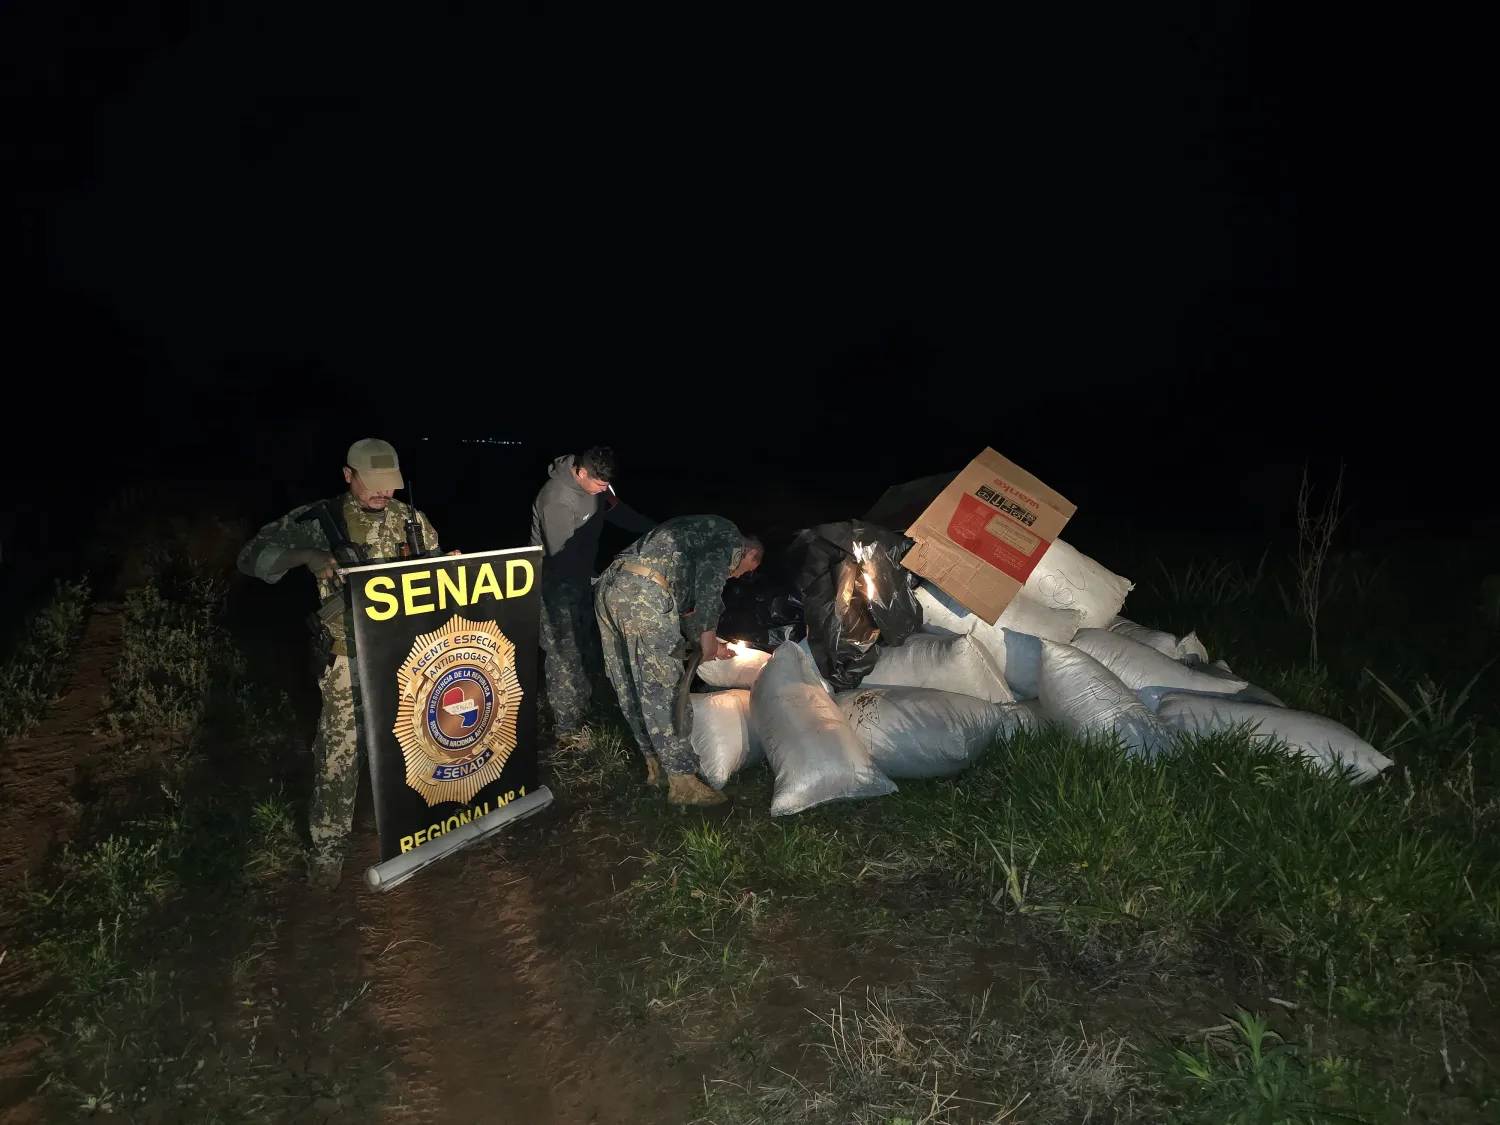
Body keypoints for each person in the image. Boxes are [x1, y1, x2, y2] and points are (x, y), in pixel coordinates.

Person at [237, 438, 455, 890]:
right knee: (339, 755)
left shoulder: (411, 520)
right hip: (349, 661)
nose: (383, 495)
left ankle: (412, 830)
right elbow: (251, 559)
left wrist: (452, 566)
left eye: (389, 486)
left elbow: (432, 575)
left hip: (410, 656)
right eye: (372, 485)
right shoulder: (321, 519)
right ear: (347, 476)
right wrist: (309, 557)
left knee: (414, 744)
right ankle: (328, 853)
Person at [594, 515, 762, 806]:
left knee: (631, 683)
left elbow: (683, 609)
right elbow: (711, 581)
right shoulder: (729, 536)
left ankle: (656, 767)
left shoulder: (694, 542)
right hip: (644, 591)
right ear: (749, 553)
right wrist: (709, 630)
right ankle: (683, 782)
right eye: (745, 569)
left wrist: (714, 644)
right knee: (666, 689)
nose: (737, 576)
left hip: (612, 587)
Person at [529, 447, 654, 736]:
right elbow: (560, 556)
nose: (602, 490)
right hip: (555, 583)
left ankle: (584, 707)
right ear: (581, 472)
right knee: (564, 653)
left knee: (585, 644)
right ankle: (567, 728)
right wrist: (596, 579)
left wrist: (655, 530)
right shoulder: (556, 500)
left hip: (583, 577)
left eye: (605, 485)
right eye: (598, 485)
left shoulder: (600, 484)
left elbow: (617, 509)